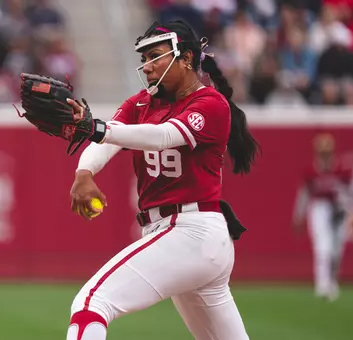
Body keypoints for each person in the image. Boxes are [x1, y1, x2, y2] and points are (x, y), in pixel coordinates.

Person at [64, 20, 260, 340]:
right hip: (187, 237)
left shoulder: (209, 103)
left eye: (155, 55)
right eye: (144, 58)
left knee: (91, 302)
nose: (147, 65)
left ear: (185, 59)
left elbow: (163, 136)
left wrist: (98, 128)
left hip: (189, 229)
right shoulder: (142, 102)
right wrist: (84, 172)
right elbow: (107, 142)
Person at [292, 133, 352, 301]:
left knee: (337, 249)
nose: (325, 154)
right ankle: (322, 284)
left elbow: (350, 193)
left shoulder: (341, 169)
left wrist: (350, 210)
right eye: (322, 151)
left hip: (340, 210)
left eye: (327, 151)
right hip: (319, 208)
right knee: (322, 246)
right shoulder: (311, 170)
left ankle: (332, 282)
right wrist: (299, 215)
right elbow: (303, 195)